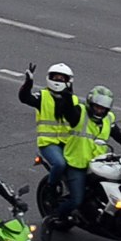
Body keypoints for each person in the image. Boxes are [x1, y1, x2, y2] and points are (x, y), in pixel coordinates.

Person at [43, 85, 121, 239]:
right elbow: (70, 111)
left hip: (100, 163)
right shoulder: (79, 114)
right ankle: (53, 217)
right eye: (97, 107)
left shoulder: (108, 119)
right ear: (90, 104)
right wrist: (68, 98)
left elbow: (119, 134)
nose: (99, 111)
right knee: (77, 199)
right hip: (77, 164)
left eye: (103, 109)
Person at [19, 62, 78, 195]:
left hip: (68, 143)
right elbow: (25, 98)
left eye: (62, 78)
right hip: (48, 143)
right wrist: (28, 83)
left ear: (69, 81)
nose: (58, 80)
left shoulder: (72, 99)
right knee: (60, 164)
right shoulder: (42, 96)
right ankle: (51, 188)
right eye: (55, 77)